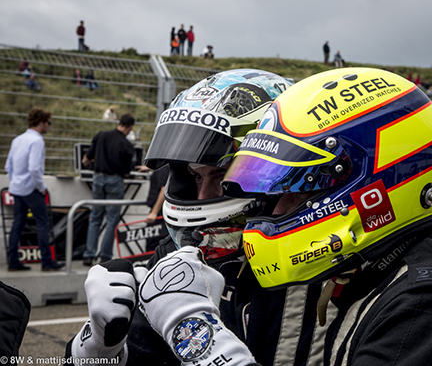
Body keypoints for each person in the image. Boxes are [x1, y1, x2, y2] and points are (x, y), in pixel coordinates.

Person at [218, 67, 432, 364]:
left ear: (374, 187)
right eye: (272, 194)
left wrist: (204, 344)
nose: (275, 210)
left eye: (300, 189)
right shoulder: (366, 275)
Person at [66, 69, 309, 365]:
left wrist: (202, 343)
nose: (204, 195)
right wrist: (96, 350)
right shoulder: (179, 253)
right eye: (195, 176)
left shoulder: (320, 261)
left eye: (221, 173)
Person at [4, 108, 64, 272]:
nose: (49, 127)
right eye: (48, 123)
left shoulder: (18, 139)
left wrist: (16, 181)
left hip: (16, 188)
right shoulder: (37, 141)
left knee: (17, 225)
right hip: (31, 189)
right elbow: (34, 168)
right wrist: (41, 187)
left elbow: (8, 166)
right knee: (43, 224)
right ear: (42, 122)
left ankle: (13, 262)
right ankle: (46, 262)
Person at [81, 114, 136, 266]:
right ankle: (105, 256)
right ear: (130, 127)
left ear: (119, 123)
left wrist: (88, 162)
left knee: (95, 218)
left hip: (98, 178)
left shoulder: (101, 135)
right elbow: (127, 171)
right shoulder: (126, 145)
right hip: (115, 180)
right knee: (112, 220)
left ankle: (88, 254)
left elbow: (87, 158)